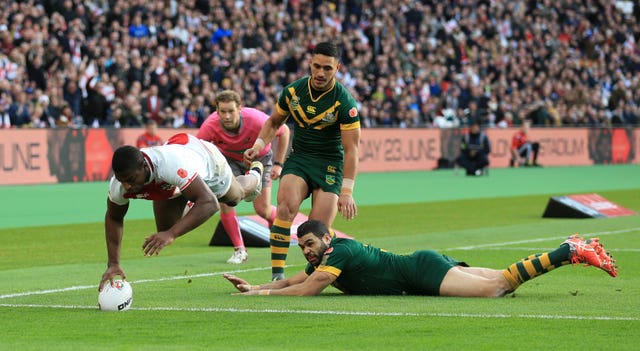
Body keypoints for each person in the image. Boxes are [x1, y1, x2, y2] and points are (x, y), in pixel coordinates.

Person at [224, 219, 617, 296]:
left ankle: (567, 250)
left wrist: (261, 297)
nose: (308, 252)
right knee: (501, 278)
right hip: (423, 264)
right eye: (303, 248)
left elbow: (309, 289)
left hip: (420, 273)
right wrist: (255, 284)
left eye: (311, 244)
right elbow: (296, 280)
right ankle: (570, 251)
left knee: (496, 288)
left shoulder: (339, 252)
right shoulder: (322, 259)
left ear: (327, 238)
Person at [243, 41, 361, 281]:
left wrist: (347, 191)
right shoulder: (293, 92)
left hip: (330, 165)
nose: (320, 73)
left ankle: (315, 278)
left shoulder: (345, 103)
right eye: (316, 66)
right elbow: (274, 122)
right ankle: (277, 275)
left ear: (337, 68)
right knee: (284, 208)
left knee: (318, 229)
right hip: (300, 158)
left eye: (327, 68)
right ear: (310, 63)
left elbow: (351, 150)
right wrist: (257, 145)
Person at [99, 133, 264, 291]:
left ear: (143, 167)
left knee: (235, 197)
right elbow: (114, 217)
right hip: (175, 178)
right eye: (122, 181)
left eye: (131, 180)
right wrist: (113, 263)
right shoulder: (119, 185)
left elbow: (210, 204)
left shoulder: (169, 165)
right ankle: (190, 192)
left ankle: (255, 175)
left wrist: (172, 234)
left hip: (207, 161)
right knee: (165, 227)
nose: (127, 186)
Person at [197, 90, 290, 264]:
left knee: (263, 210)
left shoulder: (257, 120)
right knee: (226, 202)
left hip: (260, 159)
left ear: (240, 109)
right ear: (216, 111)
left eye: (231, 111)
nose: (226, 116)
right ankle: (240, 250)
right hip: (229, 161)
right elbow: (197, 150)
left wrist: (279, 163)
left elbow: (284, 131)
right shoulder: (209, 126)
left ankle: (280, 226)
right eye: (222, 112)